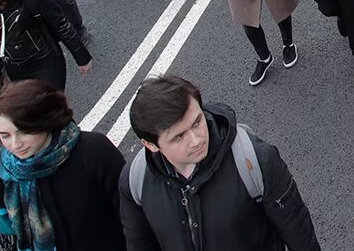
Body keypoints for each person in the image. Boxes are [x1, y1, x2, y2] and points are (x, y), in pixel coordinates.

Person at [119, 75, 321, 251]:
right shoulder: (136, 180)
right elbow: (140, 245)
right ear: (150, 144)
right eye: (179, 137)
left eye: (197, 122)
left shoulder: (255, 159)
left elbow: (298, 231)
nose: (196, 140)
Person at [0, 79, 126, 251]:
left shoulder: (94, 151)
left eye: (24, 131)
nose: (15, 145)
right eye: (5, 135)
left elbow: (130, 214)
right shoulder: (5, 169)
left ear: (46, 121)